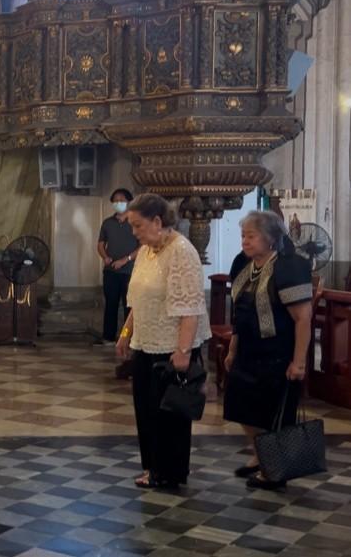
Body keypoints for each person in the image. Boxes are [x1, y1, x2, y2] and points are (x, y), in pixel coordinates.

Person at [115, 194, 209, 490]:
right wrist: (126, 334)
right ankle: (152, 467)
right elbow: (138, 300)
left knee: (169, 413)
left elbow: (190, 306)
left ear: (157, 221)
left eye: (138, 226)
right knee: (146, 408)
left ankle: (169, 472)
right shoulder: (146, 250)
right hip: (146, 341)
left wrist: (182, 351)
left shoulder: (181, 251)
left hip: (172, 346)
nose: (134, 232)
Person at [223, 211, 313, 490]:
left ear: (271, 238)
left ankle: (274, 470)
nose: (245, 241)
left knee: (273, 412)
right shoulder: (243, 264)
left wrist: (298, 362)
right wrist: (232, 348)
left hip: (277, 352)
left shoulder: (290, 266)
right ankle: (259, 454)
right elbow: (239, 312)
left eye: (251, 236)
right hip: (248, 350)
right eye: (243, 236)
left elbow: (302, 318)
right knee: (241, 407)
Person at [99, 188, 140, 347]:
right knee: (111, 304)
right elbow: (100, 244)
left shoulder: (135, 222)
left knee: (129, 307)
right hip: (111, 272)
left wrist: (126, 259)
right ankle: (108, 337)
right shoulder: (108, 223)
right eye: (115, 200)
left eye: (121, 200)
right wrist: (105, 256)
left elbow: (142, 246)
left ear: (129, 202)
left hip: (130, 272)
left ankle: (128, 338)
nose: (118, 203)